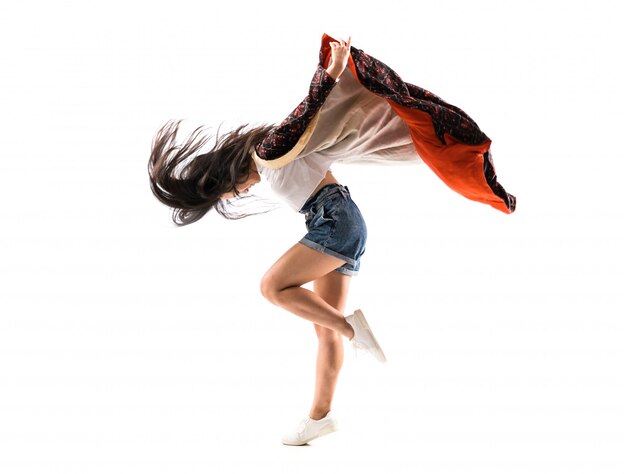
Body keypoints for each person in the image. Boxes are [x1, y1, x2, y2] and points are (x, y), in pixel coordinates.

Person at [148, 34, 515, 446]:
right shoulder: (280, 156)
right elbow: (307, 126)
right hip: (339, 221)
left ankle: (353, 330)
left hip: (336, 221)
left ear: (224, 176)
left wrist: (330, 74)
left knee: (273, 287)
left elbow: (302, 115)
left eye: (229, 193)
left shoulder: (268, 151)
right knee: (323, 328)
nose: (238, 195)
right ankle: (319, 418)